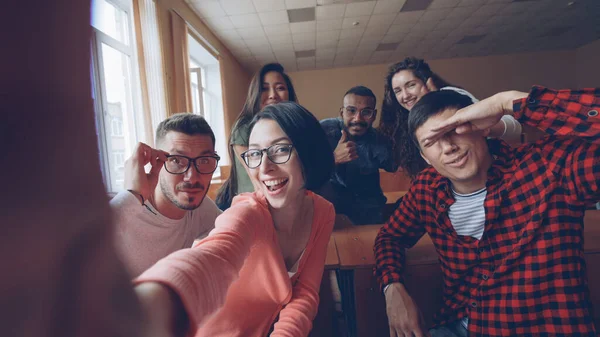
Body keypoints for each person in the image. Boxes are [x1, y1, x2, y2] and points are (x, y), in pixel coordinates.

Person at [375, 87, 600, 336]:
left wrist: (507, 102)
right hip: (457, 327)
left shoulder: (549, 166)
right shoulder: (427, 188)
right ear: (425, 157)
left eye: (455, 130)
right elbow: (390, 237)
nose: (448, 147)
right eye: (431, 141)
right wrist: (392, 287)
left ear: (482, 127)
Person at [133, 102, 336, 337]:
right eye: (255, 154)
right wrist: (157, 296)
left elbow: (305, 294)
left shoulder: (323, 212)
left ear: (308, 153)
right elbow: (214, 256)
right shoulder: (248, 212)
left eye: (280, 150)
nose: (264, 167)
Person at [110, 113, 222, 276]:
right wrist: (133, 195)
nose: (191, 177)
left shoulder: (201, 209)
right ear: (157, 161)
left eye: (204, 160)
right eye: (177, 160)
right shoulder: (127, 212)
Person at [378, 57, 522, 178]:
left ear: (428, 82)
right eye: (398, 91)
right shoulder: (407, 117)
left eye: (411, 85)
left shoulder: (450, 97)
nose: (405, 95)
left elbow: (515, 127)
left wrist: (484, 127)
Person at [216, 63, 298, 210]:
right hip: (253, 206)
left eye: (280, 88)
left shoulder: (292, 126)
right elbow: (258, 178)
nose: (272, 94)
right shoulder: (244, 128)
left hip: (282, 202)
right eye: (264, 89)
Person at [320, 86, 397, 224]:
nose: (358, 118)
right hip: (330, 207)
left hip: (369, 210)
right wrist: (333, 159)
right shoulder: (323, 131)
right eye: (351, 111)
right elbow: (304, 169)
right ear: (341, 112)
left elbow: (394, 166)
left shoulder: (380, 140)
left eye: (366, 112)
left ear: (373, 115)